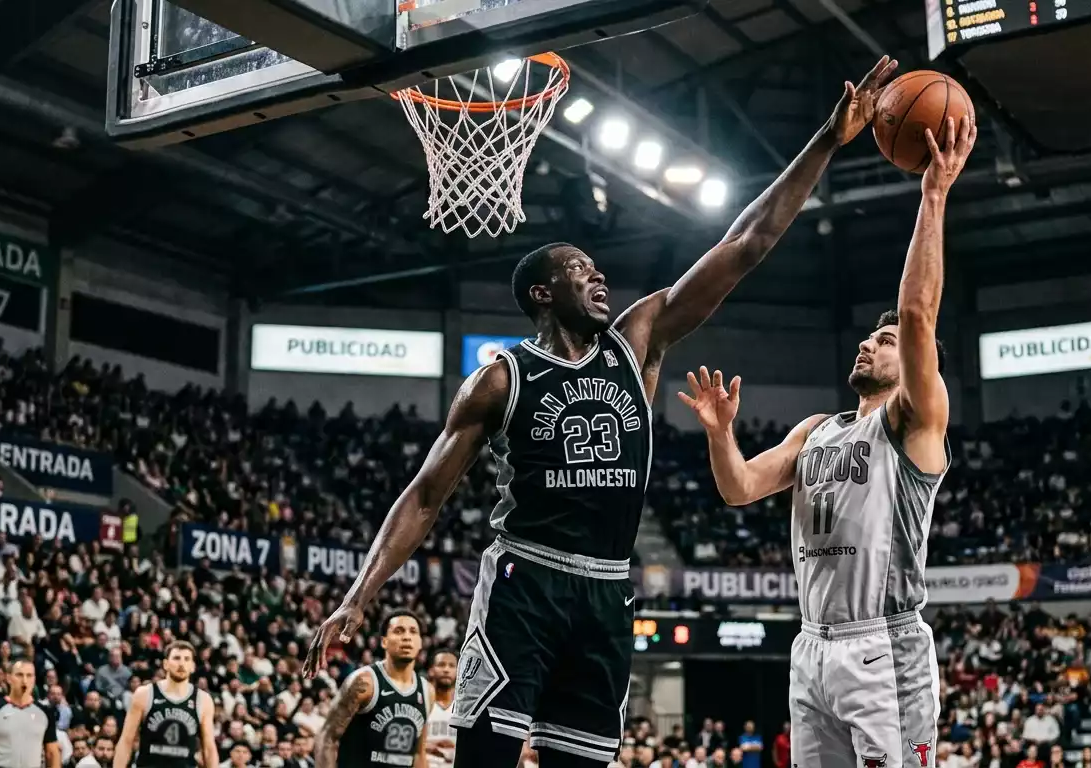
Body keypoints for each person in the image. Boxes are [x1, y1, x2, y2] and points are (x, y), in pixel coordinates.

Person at [301, 55, 903, 768]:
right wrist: (360, 595)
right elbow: (426, 495)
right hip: (524, 582)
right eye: (579, 270)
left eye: (598, 267)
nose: (599, 276)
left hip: (607, 591)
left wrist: (828, 140)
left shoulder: (639, 339)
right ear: (541, 294)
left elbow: (745, 245)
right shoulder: (501, 379)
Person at [677, 111, 977, 767]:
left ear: (919, 367)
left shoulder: (912, 421)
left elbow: (918, 315)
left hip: (884, 643)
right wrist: (720, 435)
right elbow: (740, 489)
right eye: (869, 338)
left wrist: (933, 196)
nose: (871, 342)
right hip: (811, 644)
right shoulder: (816, 429)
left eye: (886, 341)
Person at [314, 611, 431, 768]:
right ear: (384, 641)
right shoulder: (364, 682)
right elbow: (327, 738)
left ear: (420, 643)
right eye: (398, 631)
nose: (407, 637)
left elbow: (418, 753)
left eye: (413, 632)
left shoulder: (427, 690)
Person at [112, 641, 218, 768]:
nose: (181, 663)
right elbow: (126, 741)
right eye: (176, 658)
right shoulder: (145, 694)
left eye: (187, 659)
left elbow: (209, 748)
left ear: (193, 666)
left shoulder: (203, 699)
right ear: (166, 664)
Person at [0, 659, 61, 768]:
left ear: (34, 679)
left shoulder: (45, 713)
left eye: (29, 676)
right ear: (9, 678)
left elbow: (52, 753)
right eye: (19, 675)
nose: (24, 681)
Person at [425, 650, 458, 768]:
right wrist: (430, 746)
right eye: (441, 665)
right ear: (431, 670)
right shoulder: (420, 704)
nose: (446, 670)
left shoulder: (465, 710)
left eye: (452, 666)